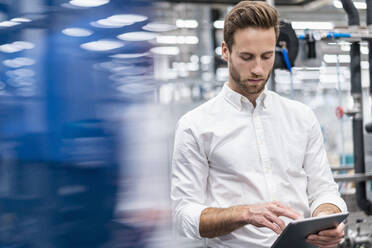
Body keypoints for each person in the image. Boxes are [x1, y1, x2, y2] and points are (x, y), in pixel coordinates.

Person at [170, 1, 347, 247]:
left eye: (267, 56)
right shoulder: (195, 125)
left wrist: (326, 219)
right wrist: (242, 213)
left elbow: (324, 191)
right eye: (246, 57)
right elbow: (183, 215)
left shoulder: (301, 117)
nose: (258, 69)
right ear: (225, 51)